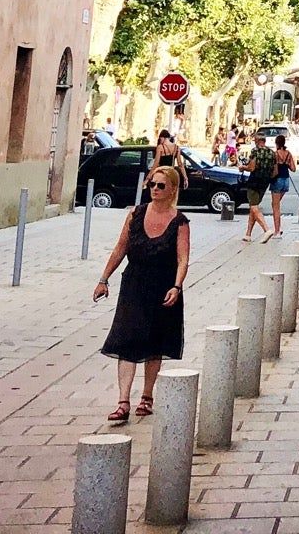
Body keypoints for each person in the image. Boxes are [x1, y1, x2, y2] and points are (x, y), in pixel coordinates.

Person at [94, 164, 189, 424]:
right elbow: (120, 248)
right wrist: (104, 279)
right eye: (152, 185)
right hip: (134, 283)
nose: (155, 189)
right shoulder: (135, 215)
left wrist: (177, 286)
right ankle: (123, 402)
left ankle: (146, 396)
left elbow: (183, 259)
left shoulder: (179, 221)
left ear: (172, 190)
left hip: (163, 286)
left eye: (160, 186)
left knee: (154, 343)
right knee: (126, 339)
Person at [240, 131, 274, 242]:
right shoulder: (272, 153)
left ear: (259, 141)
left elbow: (252, 168)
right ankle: (248, 234)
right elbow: (275, 171)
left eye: (255, 141)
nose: (254, 143)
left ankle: (266, 229)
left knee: (254, 207)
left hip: (254, 181)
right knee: (253, 207)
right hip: (264, 183)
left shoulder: (255, 151)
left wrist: (243, 167)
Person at [269, 134, 297, 237]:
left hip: (277, 180)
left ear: (276, 143)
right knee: (275, 205)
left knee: (276, 207)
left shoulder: (275, 154)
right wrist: (287, 164)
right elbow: (293, 169)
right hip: (286, 181)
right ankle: (277, 228)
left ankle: (277, 231)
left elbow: (275, 170)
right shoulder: (288, 154)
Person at [147, 128, 187, 197]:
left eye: (160, 138)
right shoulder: (176, 147)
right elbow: (180, 164)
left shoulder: (160, 147)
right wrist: (185, 177)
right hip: (171, 173)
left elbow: (156, 163)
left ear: (163, 137)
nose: (160, 140)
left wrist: (148, 176)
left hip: (162, 173)